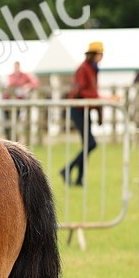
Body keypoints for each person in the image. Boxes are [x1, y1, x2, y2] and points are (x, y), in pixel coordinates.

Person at [60, 41, 108, 187]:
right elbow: (81, 91)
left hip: (85, 109)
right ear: (94, 54)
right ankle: (66, 170)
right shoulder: (84, 68)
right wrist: (100, 98)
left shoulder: (93, 69)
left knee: (87, 144)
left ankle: (79, 178)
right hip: (78, 109)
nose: (102, 57)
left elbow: (92, 91)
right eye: (100, 54)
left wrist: (99, 110)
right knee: (91, 144)